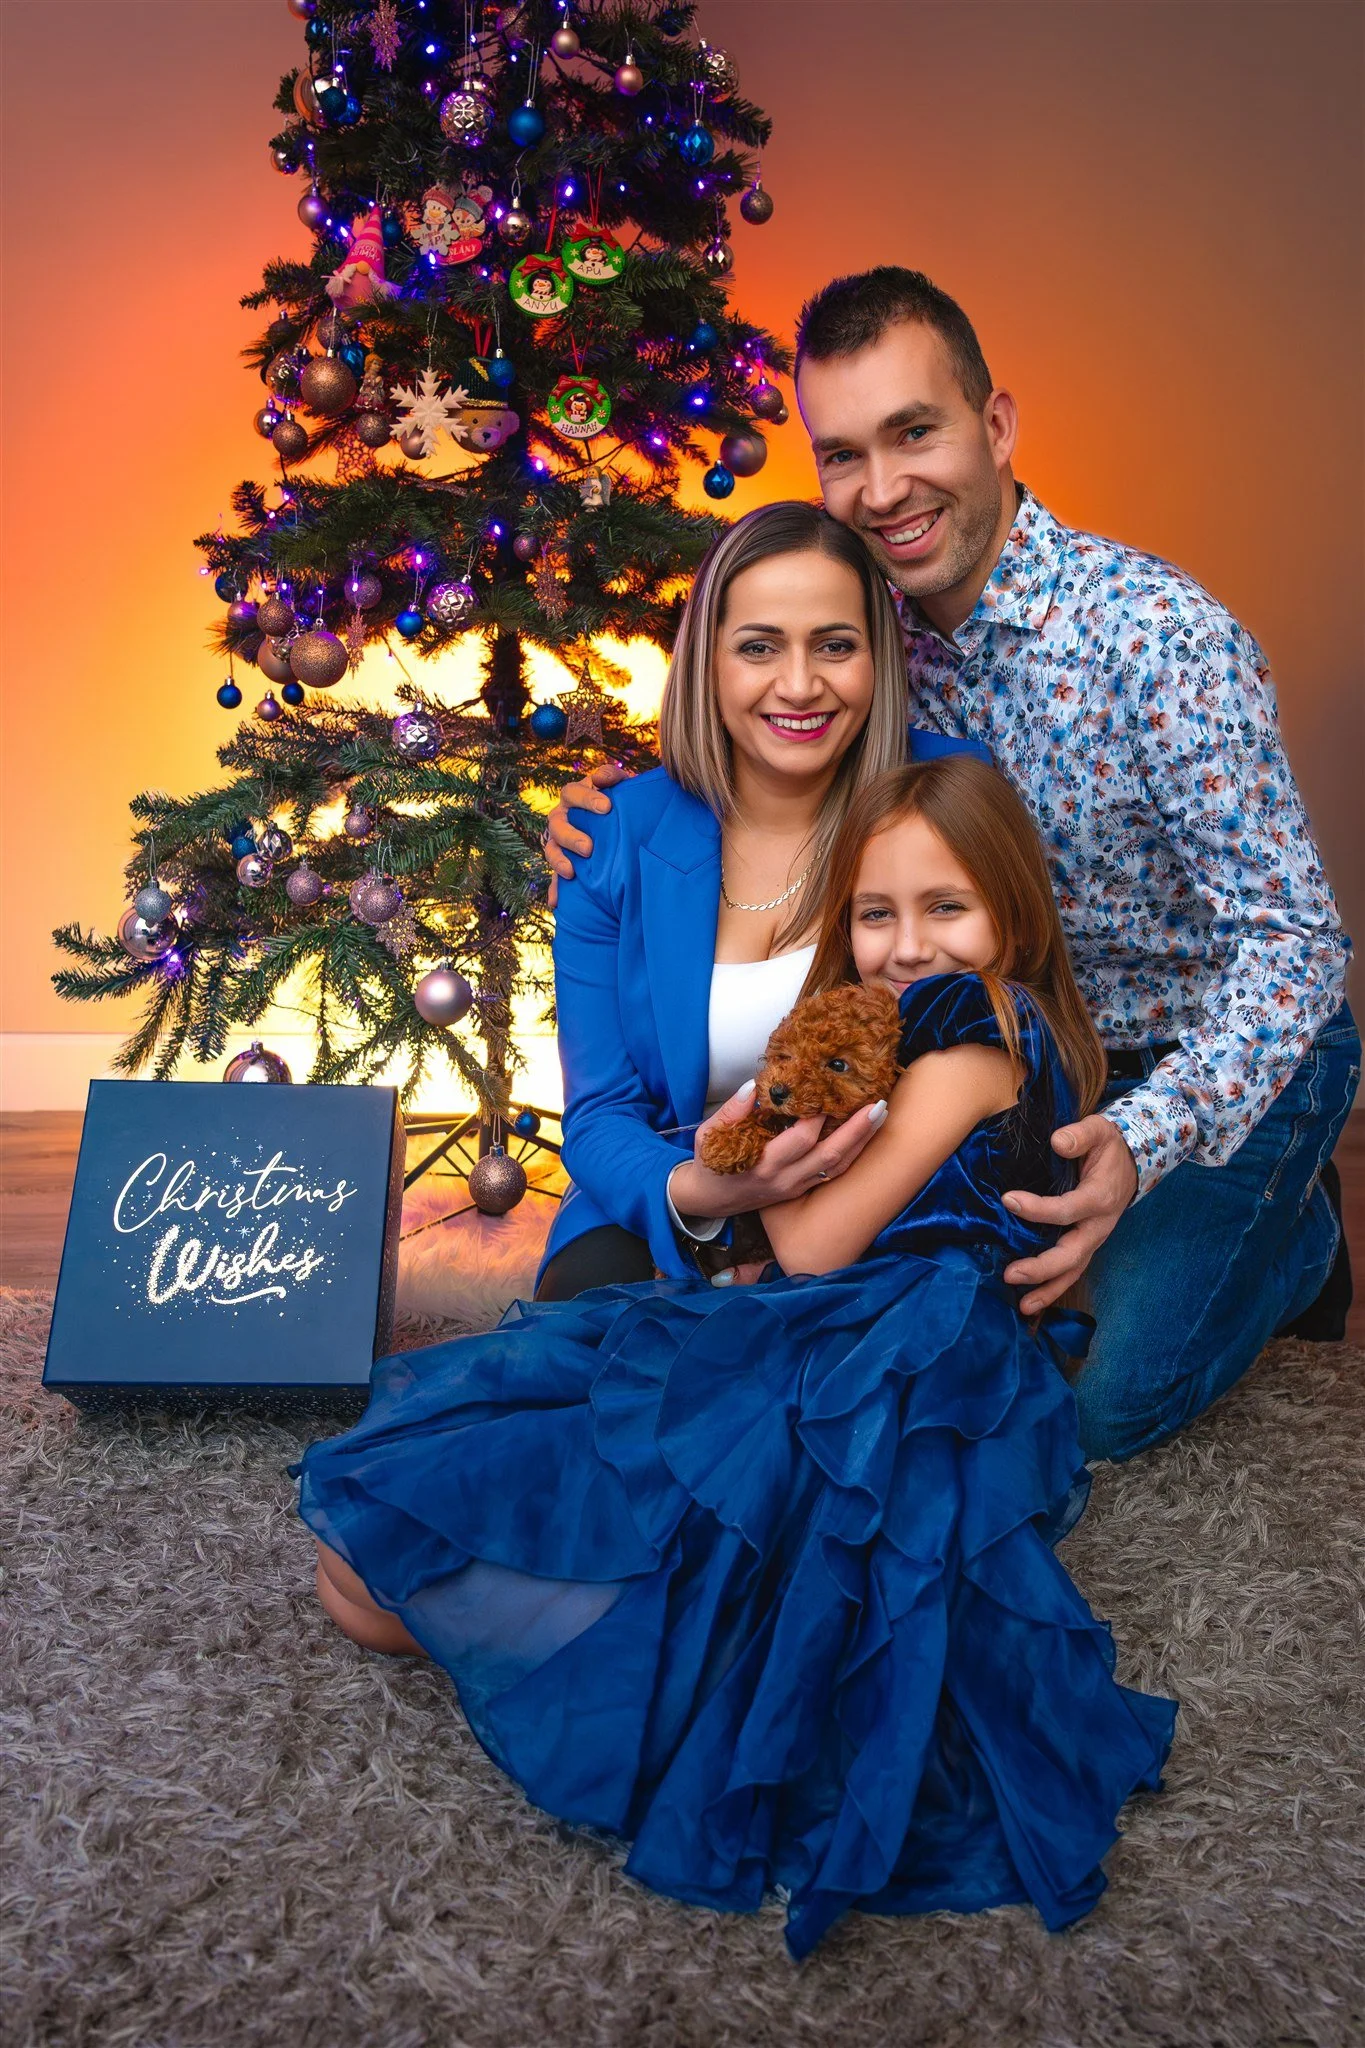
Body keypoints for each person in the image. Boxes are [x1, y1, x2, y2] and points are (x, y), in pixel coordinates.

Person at [297, 755, 1177, 1962]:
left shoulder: (975, 1038)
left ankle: (601, 1639)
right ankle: (578, 1614)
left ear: (1014, 916)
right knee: (402, 1524)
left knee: (396, 1574)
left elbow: (815, 1245)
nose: (908, 945)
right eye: (877, 913)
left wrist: (767, 1187)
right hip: (854, 1325)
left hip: (887, 1361)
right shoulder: (950, 1023)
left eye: (946, 909)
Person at [545, 265, 1357, 1463]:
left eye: (914, 432)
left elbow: (1297, 945)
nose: (881, 490)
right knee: (956, 1355)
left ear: (997, 424)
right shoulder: (877, 640)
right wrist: (614, 799)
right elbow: (763, 697)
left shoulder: (1159, 639)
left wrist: (1155, 1132)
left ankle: (1296, 1233)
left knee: (1094, 1395)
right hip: (1001, 1045)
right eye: (842, 454)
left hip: (1209, 1051)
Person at [537, 499, 910, 1300]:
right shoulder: (610, 836)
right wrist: (706, 1198)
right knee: (585, 1353)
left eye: (836, 646)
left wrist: (804, 1218)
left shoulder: (936, 803)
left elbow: (988, 1027)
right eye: (758, 647)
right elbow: (600, 1114)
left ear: (878, 659)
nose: (801, 685)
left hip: (880, 1190)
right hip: (675, 1193)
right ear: (708, 660)